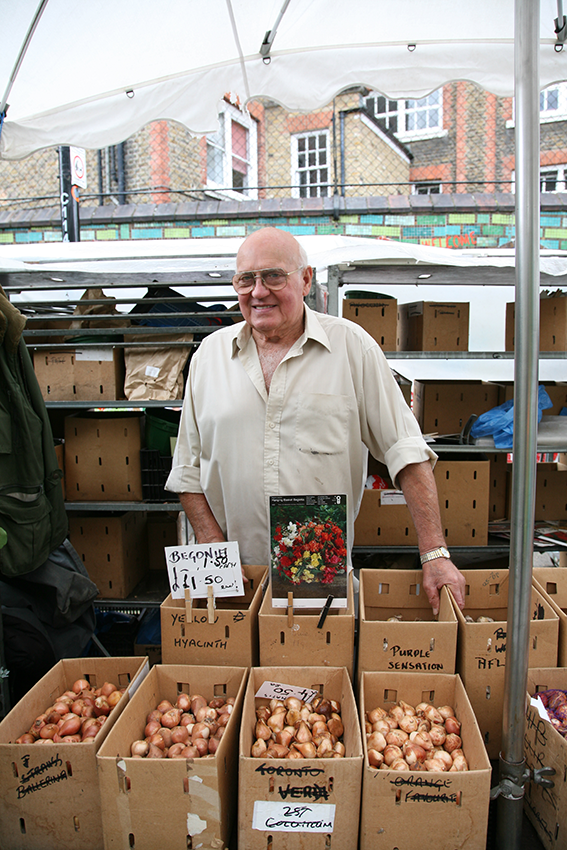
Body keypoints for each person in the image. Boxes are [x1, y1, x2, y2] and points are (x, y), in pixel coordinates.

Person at [166, 228, 465, 614]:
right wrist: (209, 541)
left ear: (306, 279)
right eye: (246, 279)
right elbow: (187, 469)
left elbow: (405, 452)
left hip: (319, 577)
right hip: (234, 579)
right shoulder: (209, 356)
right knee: (237, 677)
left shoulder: (351, 347)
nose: (258, 292)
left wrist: (434, 553)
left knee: (320, 675)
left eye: (274, 276)